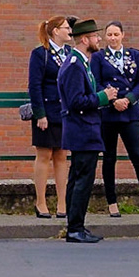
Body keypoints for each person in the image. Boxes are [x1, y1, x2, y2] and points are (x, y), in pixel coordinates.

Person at [93, 21, 139, 218]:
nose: (113, 38)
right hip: (109, 112)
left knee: (138, 157)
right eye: (109, 35)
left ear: (123, 35)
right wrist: (112, 100)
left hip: (130, 113)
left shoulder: (134, 54)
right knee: (109, 158)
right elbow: (95, 82)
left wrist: (129, 100)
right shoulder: (98, 57)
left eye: (116, 34)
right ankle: (112, 201)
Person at [58, 18, 115, 243]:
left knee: (78, 178)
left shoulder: (81, 62)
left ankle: (76, 224)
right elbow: (75, 101)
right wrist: (104, 97)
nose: (98, 39)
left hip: (85, 129)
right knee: (82, 179)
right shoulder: (74, 64)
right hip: (82, 129)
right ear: (84, 39)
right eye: (95, 36)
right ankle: (75, 228)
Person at [26, 15, 71, 219]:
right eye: (66, 27)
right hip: (47, 111)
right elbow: (34, 85)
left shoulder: (70, 53)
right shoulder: (40, 53)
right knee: (44, 155)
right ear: (55, 31)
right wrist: (40, 114)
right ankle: (41, 202)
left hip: (64, 112)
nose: (70, 30)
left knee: (62, 155)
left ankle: (62, 202)